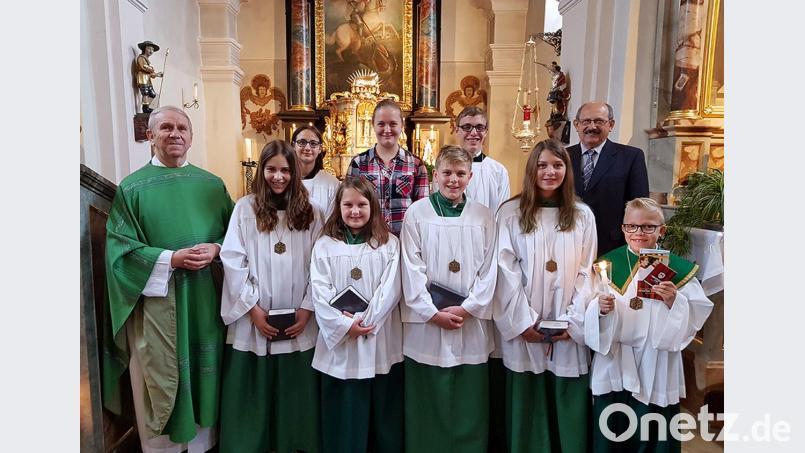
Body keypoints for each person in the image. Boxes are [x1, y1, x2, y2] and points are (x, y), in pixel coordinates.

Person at [104, 105, 234, 452]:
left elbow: (239, 236)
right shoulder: (131, 189)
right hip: (160, 303)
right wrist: (169, 259)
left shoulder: (212, 184)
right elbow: (120, 250)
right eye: (166, 128)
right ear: (150, 136)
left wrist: (217, 249)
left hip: (206, 299)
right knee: (163, 370)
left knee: (206, 368)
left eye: (182, 128)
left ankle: (204, 443)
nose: (175, 134)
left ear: (191, 138)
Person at [218, 140, 324, 453]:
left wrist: (306, 309)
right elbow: (233, 259)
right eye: (271, 169)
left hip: (299, 320)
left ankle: (296, 444)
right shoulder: (245, 208)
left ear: (295, 172)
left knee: (297, 392)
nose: (278, 176)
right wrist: (252, 308)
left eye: (285, 170)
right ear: (261, 170)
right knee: (253, 390)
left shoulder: (312, 212)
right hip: (256, 317)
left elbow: (321, 263)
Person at [584, 197, 713, 453]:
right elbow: (586, 304)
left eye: (647, 227)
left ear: (661, 230)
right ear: (623, 228)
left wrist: (674, 301)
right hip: (617, 360)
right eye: (631, 226)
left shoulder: (678, 270)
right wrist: (598, 310)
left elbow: (698, 310)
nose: (638, 233)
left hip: (657, 361)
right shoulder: (606, 265)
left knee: (652, 430)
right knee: (613, 429)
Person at [493, 138, 597, 452]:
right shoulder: (511, 213)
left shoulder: (581, 215)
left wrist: (571, 322)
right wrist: (523, 322)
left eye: (557, 164)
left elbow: (587, 270)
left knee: (565, 395)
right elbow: (504, 270)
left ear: (567, 169)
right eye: (542, 165)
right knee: (526, 394)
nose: (549, 172)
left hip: (566, 324)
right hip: (525, 323)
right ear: (531, 170)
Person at [400, 145, 497, 453]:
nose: (453, 180)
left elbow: (491, 267)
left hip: (470, 321)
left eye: (460, 174)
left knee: (469, 398)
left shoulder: (483, 215)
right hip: (426, 323)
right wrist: (431, 312)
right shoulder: (417, 212)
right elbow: (410, 265)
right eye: (447, 173)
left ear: (470, 177)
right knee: (429, 397)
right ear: (435, 175)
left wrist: (469, 307)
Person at [311, 177, 404, 453]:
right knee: (345, 415)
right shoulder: (325, 245)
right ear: (338, 207)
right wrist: (344, 324)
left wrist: (366, 321)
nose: (355, 211)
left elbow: (391, 289)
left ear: (372, 207)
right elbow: (319, 290)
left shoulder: (389, 244)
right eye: (348, 204)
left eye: (362, 204)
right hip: (341, 341)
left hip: (379, 338)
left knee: (383, 413)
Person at [567, 101, 649, 255]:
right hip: (567, 241)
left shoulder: (631, 157)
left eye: (599, 121)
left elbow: (640, 206)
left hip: (612, 246)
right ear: (576, 125)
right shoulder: (562, 157)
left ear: (611, 125)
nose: (592, 127)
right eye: (586, 121)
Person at [347, 98, 430, 236]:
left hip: (405, 240)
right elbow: (349, 205)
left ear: (401, 125)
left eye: (393, 124)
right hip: (368, 240)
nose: (387, 130)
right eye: (381, 124)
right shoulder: (358, 163)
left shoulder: (416, 165)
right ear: (373, 124)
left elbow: (423, 211)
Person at [451, 106, 510, 213]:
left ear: (486, 132)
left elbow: (502, 213)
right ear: (457, 131)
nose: (473, 133)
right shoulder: (446, 170)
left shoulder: (498, 171)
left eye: (480, 127)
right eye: (467, 127)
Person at [292, 125, 339, 214]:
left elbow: (332, 221)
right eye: (302, 142)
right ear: (293, 145)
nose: (307, 148)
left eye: (313, 143)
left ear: (320, 148)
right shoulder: (284, 180)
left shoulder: (331, 183)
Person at [135, 40, 163, 114]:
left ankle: (148, 107)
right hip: (142, 79)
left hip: (147, 79)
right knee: (145, 93)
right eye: (149, 49)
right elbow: (143, 67)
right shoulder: (141, 58)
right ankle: (145, 108)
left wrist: (157, 74)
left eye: (152, 50)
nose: (151, 51)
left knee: (153, 94)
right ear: (144, 49)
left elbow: (151, 74)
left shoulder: (147, 60)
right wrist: (151, 68)